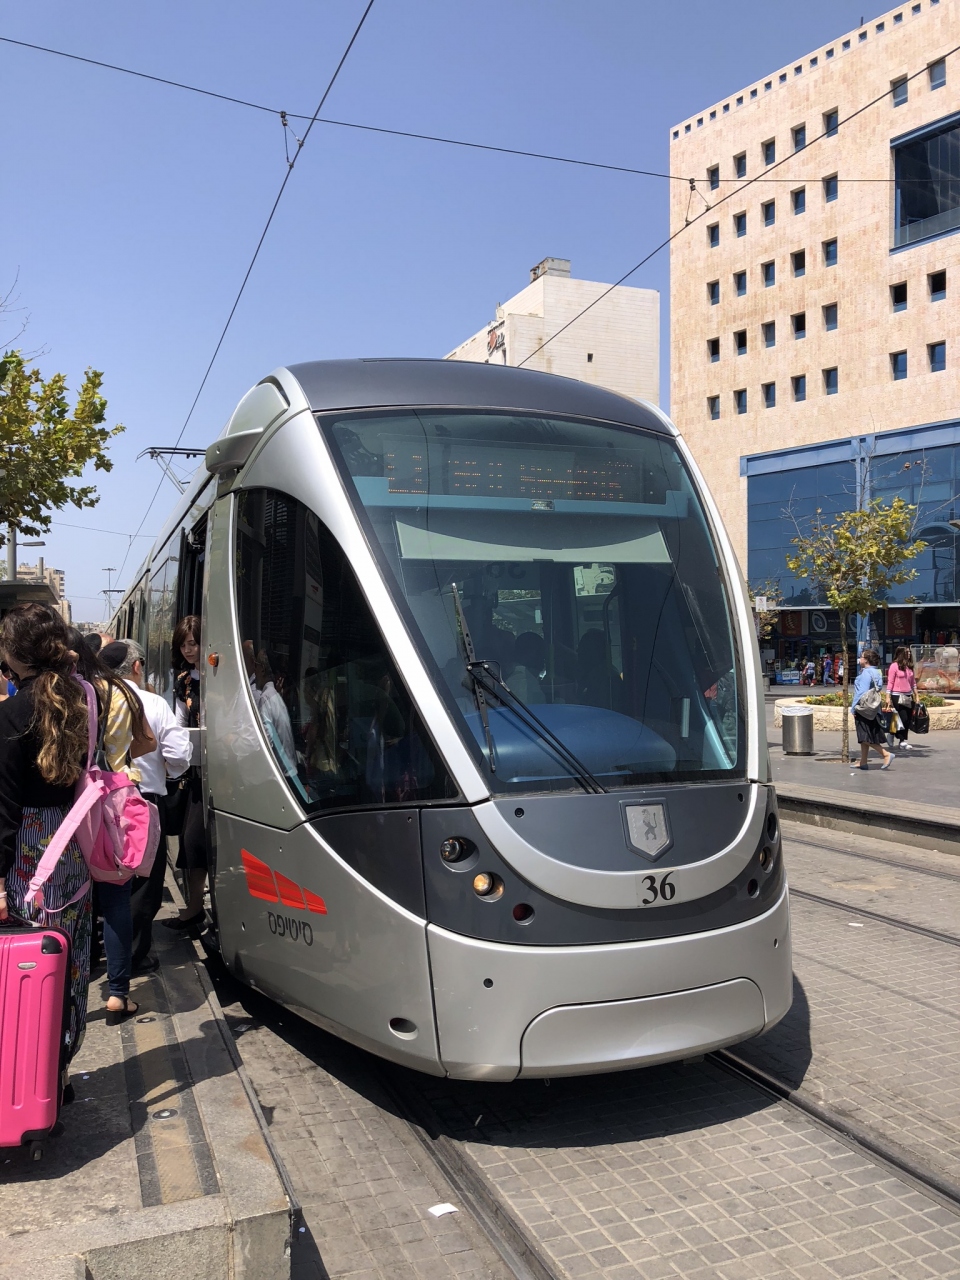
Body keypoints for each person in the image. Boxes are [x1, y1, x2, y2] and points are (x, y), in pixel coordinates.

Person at [0, 605, 94, 1083]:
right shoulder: (83, 701)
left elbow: (4, 809)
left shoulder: (11, 714)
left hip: (29, 855)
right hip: (72, 845)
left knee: (31, 965)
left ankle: (33, 1077)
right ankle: (60, 1069)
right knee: (70, 962)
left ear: (16, 654)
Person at [66, 626, 156, 1024]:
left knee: (74, 898)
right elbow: (148, 742)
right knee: (117, 898)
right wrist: (117, 756)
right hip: (117, 799)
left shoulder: (70, 692)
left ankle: (72, 987)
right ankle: (118, 994)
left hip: (74, 804)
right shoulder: (124, 691)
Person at [100, 640, 190, 973]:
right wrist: (171, 772)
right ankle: (134, 957)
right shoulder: (152, 702)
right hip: (142, 800)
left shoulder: (95, 698)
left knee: (106, 876)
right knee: (141, 884)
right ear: (137, 666)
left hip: (100, 799)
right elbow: (178, 753)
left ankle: (102, 951)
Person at [164, 615, 206, 933]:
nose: (189, 650)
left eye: (193, 643)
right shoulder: (184, 681)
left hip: (224, 769)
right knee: (191, 841)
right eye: (183, 645)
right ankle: (195, 907)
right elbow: (180, 723)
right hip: (195, 771)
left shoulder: (221, 676)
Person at [851, 649, 893, 771]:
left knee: (864, 736)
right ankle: (863, 761)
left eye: (862, 657)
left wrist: (853, 708)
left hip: (863, 708)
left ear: (866, 660)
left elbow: (861, 692)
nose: (860, 659)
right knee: (866, 734)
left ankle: (886, 754)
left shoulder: (866, 673)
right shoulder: (876, 672)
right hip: (873, 708)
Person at [886, 645, 917, 751]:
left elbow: (913, 683)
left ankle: (892, 734)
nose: (909, 654)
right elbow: (890, 682)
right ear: (901, 654)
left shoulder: (909, 666)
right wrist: (888, 697)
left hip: (908, 694)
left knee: (907, 718)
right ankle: (902, 741)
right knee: (902, 717)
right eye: (906, 652)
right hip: (897, 695)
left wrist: (916, 695)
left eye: (909, 652)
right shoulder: (894, 666)